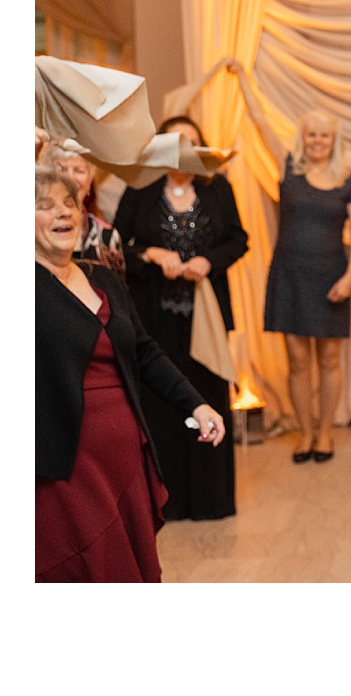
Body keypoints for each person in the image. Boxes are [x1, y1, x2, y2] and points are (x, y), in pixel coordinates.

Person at [36, 165, 225, 581]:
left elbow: (144, 353)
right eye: (44, 206)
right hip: (65, 466)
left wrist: (196, 403)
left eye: (70, 203)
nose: (63, 213)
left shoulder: (101, 276)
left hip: (125, 456)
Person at [227, 63, 351, 465]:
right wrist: (243, 79)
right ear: (303, 138)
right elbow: (257, 120)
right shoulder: (288, 166)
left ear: (333, 140)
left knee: (328, 358)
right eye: (312, 134)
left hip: (331, 277)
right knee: (297, 359)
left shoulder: (349, 180)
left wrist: (350, 276)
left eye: (324, 135)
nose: (318, 140)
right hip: (288, 274)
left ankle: (325, 434)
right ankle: (304, 433)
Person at [113, 115, 249, 521]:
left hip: (205, 316)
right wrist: (152, 255)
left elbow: (239, 239)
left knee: (208, 398)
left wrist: (209, 260)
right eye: (174, 140)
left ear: (201, 147)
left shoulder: (217, 188)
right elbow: (115, 245)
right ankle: (167, 503)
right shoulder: (140, 189)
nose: (182, 147)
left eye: (190, 141)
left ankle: (212, 501)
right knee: (162, 403)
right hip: (155, 316)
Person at [43, 141, 126, 276]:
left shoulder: (106, 236)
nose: (69, 178)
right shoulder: (38, 229)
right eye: (62, 169)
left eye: (79, 170)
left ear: (90, 179)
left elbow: (119, 292)